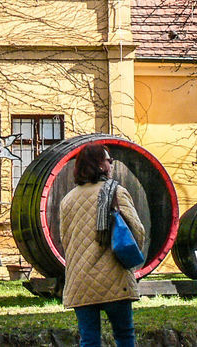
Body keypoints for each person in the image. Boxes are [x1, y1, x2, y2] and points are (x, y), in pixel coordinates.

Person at [58, 143, 146, 347]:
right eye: (109, 160)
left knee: (89, 340)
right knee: (124, 335)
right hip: (114, 277)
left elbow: (65, 239)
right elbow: (137, 230)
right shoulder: (116, 192)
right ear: (99, 165)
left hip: (80, 281)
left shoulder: (68, 199)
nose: (112, 164)